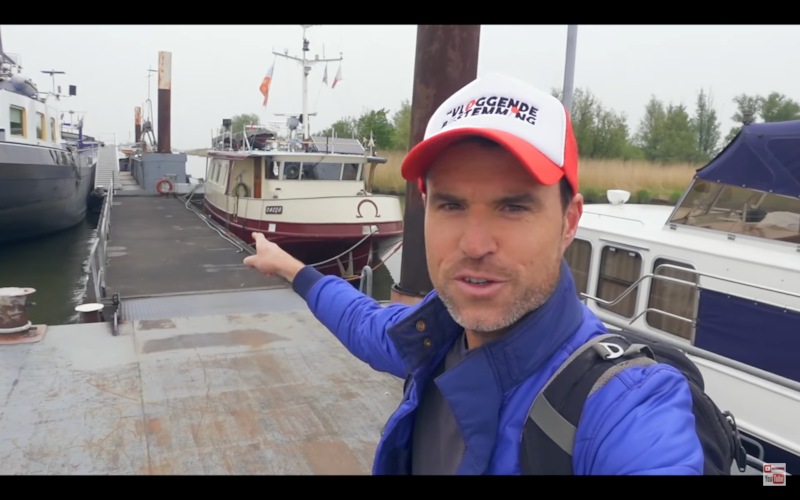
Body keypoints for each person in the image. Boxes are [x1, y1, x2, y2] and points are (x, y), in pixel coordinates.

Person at [243, 73, 704, 475]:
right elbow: (364, 322)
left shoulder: (624, 404)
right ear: (426, 209)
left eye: (514, 207)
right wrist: (290, 267)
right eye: (451, 205)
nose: (475, 244)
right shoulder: (434, 337)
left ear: (569, 222)